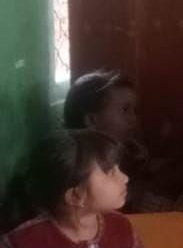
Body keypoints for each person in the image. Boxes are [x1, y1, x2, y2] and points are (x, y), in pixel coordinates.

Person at [0, 131, 165, 248]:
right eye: (111, 173)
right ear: (76, 196)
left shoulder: (121, 228)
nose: (125, 178)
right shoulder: (20, 243)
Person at [62, 70, 169, 214]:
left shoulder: (132, 150)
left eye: (134, 110)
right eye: (124, 110)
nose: (133, 119)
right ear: (92, 120)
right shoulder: (78, 164)